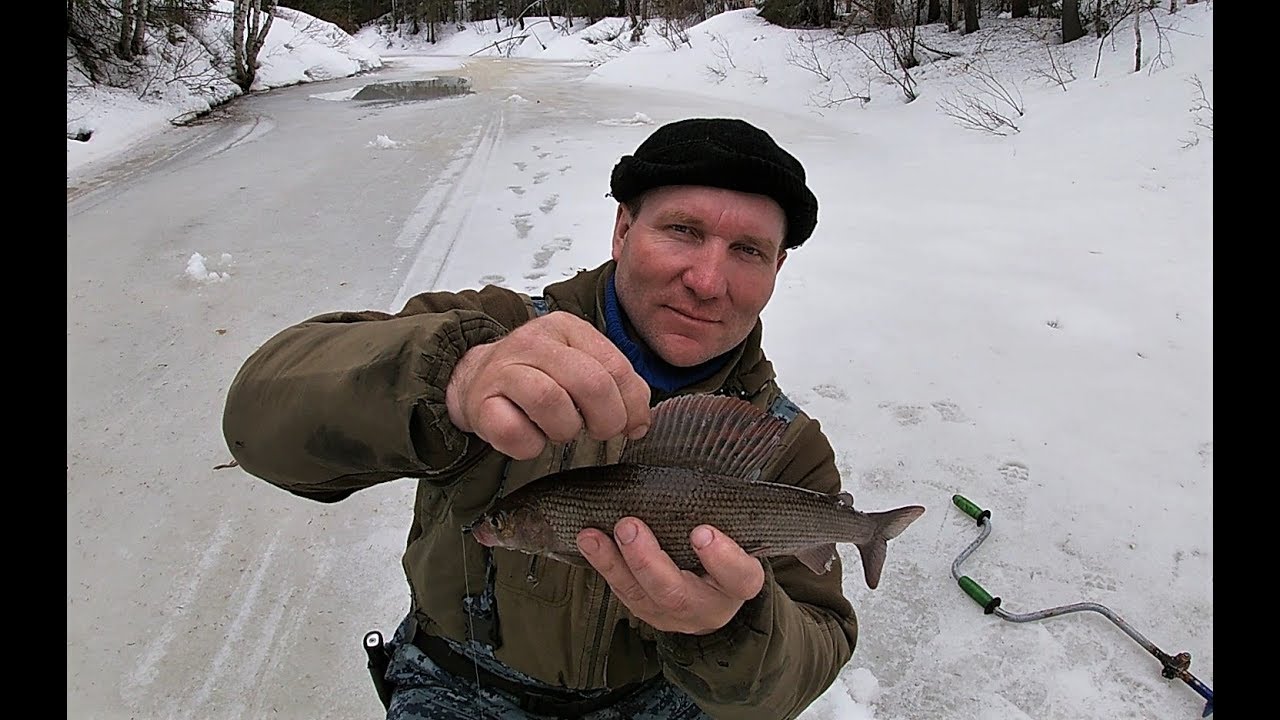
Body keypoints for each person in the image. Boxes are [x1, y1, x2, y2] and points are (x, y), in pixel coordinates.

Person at [222, 117, 859, 720]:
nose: (707, 279)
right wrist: (454, 378)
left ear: (777, 270)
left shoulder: (786, 443)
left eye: (747, 250)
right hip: (458, 686)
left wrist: (729, 628)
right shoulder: (493, 333)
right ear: (622, 229)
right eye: (683, 231)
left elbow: (815, 648)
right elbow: (259, 414)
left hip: (661, 700)